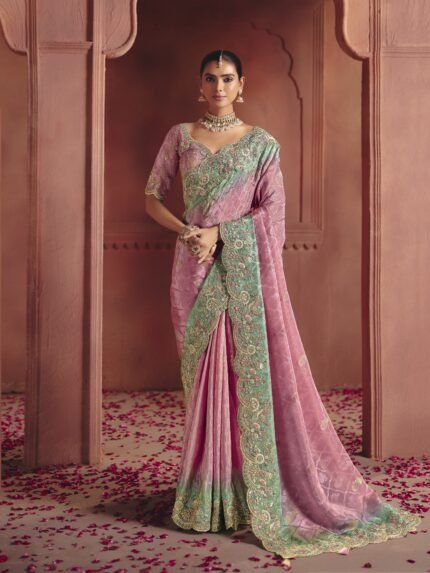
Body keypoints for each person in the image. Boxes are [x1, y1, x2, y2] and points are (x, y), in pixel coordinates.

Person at [144, 49, 421, 562]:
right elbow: (152, 197)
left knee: (241, 377)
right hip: (190, 269)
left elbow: (273, 218)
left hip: (236, 271)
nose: (219, 86)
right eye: (211, 78)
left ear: (241, 84)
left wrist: (218, 234)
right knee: (203, 382)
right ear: (199, 85)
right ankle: (211, 495)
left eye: (228, 78)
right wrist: (188, 231)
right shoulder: (180, 137)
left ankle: (246, 491)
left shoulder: (261, 145)